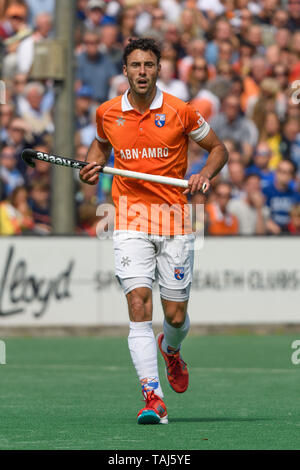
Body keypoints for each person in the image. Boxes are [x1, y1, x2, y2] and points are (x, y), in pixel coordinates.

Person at [79, 38, 228, 425]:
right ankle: (152, 397)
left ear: (158, 69)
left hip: (175, 218)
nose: (142, 71)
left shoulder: (181, 112)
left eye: (148, 65)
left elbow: (218, 149)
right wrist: (91, 168)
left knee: (175, 316)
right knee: (139, 303)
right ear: (124, 71)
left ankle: (172, 350)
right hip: (129, 217)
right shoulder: (107, 113)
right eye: (135, 65)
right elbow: (98, 149)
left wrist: (204, 174)